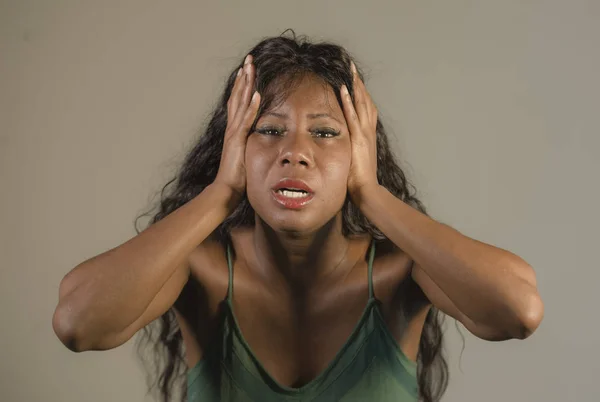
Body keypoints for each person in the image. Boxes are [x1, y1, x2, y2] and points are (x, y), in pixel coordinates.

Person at [52, 32, 544, 402]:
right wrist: (220, 192)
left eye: (326, 133)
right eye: (268, 129)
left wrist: (370, 195)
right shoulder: (200, 272)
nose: (295, 153)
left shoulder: (399, 274)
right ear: (233, 147)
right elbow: (78, 322)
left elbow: (518, 310)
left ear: (361, 149)